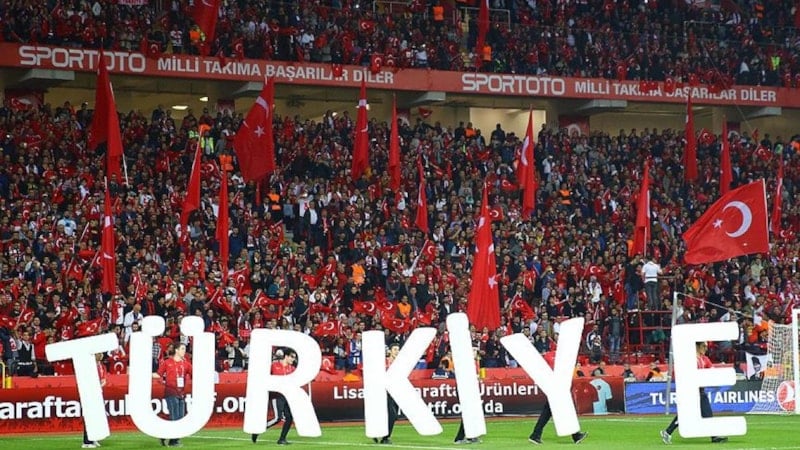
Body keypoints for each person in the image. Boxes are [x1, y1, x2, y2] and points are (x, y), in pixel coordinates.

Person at [660, 342, 728, 444]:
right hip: (691, 391)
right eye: (703, 346)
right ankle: (667, 432)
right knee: (687, 415)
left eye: (706, 346)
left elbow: (712, 370)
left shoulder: (705, 359)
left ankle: (714, 437)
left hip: (700, 391)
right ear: (697, 346)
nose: (706, 348)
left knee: (707, 414)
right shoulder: (689, 359)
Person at [252, 348, 297, 445]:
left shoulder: (292, 369)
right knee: (278, 418)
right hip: (276, 395)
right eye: (292, 357)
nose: (293, 359)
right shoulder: (274, 366)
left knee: (289, 418)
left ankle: (282, 439)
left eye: (294, 357)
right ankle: (258, 430)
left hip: (287, 396)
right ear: (286, 356)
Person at [154, 343, 192, 447]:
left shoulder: (186, 364)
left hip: (181, 393)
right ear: (176, 350)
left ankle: (164, 435)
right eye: (182, 349)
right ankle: (174, 441)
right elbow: (158, 374)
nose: (184, 351)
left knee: (180, 418)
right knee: (174, 417)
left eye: (185, 349)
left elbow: (194, 374)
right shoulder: (167, 362)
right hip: (170, 392)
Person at [373, 343, 400, 445]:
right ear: (390, 351)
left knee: (393, 415)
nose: (397, 351)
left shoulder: (400, 363)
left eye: (398, 349)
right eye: (395, 349)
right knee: (391, 414)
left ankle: (379, 433)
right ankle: (385, 437)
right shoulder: (384, 362)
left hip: (395, 391)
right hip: (384, 391)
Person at [82, 353, 107, 448]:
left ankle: (94, 438)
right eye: (99, 354)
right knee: (90, 417)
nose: (101, 355)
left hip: (99, 393)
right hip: (91, 393)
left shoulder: (102, 366)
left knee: (97, 417)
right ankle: (87, 441)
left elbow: (103, 378)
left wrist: (102, 383)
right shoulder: (89, 366)